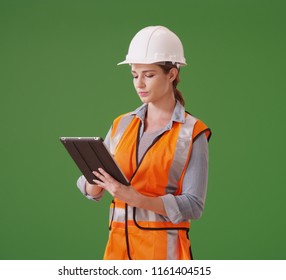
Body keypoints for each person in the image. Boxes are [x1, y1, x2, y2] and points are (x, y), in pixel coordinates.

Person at [76, 25, 211, 260]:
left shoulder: (192, 132)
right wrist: (94, 184)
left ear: (172, 74)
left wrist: (136, 198)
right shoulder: (121, 124)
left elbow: (194, 205)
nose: (139, 84)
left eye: (149, 75)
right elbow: (89, 186)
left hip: (163, 256)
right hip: (118, 254)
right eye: (135, 75)